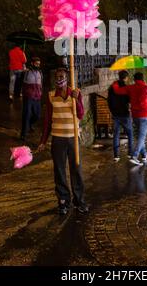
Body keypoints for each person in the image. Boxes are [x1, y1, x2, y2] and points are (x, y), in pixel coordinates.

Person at [37, 67, 88, 215]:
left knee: (76, 170)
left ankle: (79, 201)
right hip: (58, 140)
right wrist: (43, 141)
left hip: (73, 139)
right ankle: (63, 201)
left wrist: (76, 99)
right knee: (59, 171)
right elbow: (47, 120)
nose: (59, 79)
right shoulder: (51, 95)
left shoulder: (76, 93)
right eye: (57, 77)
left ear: (67, 78)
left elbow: (81, 114)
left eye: (62, 77)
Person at [114, 72, 147, 166]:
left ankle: (144, 154)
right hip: (145, 115)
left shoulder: (130, 88)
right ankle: (134, 155)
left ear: (134, 80)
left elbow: (117, 91)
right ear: (143, 79)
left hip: (135, 115)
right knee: (142, 137)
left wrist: (115, 83)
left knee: (140, 136)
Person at [108, 70, 133, 162]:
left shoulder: (112, 88)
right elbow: (129, 100)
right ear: (126, 78)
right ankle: (130, 153)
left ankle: (116, 155)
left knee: (116, 135)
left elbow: (109, 101)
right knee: (130, 134)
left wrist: (112, 111)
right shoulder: (127, 88)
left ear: (119, 77)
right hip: (125, 114)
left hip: (115, 114)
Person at [20, 56, 43, 142]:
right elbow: (21, 75)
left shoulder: (40, 72)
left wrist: (41, 93)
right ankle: (23, 134)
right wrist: (23, 70)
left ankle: (29, 124)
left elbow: (41, 84)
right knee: (27, 114)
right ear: (32, 63)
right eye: (36, 64)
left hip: (37, 97)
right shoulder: (27, 72)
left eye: (39, 64)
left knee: (37, 115)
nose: (37, 65)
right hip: (28, 97)